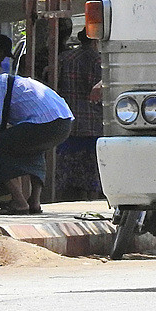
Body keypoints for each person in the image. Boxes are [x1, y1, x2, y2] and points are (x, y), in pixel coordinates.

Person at [0, 65, 73, 215]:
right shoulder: (10, 85)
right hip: (63, 122)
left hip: (46, 122)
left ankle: (19, 202)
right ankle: (34, 202)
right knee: (33, 151)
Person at [54, 30, 103, 200]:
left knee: (67, 172)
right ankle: (90, 202)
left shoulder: (64, 58)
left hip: (67, 120)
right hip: (92, 123)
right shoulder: (97, 61)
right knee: (92, 174)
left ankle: (65, 200)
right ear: (96, 41)